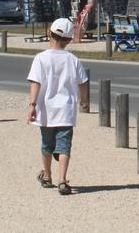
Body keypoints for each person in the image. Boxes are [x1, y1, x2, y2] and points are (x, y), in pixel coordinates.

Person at [28, 18, 89, 196]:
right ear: (69, 40)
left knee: (47, 144)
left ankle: (47, 176)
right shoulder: (73, 60)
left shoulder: (40, 58)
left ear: (49, 33)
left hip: (46, 110)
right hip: (66, 110)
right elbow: (83, 82)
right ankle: (63, 180)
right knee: (64, 146)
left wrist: (32, 105)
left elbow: (35, 83)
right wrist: (84, 101)